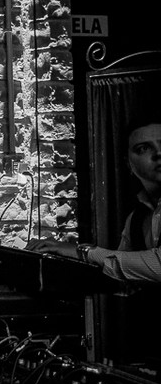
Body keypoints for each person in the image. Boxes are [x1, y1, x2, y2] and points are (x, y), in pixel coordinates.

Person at [28, 116, 161, 283]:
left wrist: (82, 252)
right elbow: (120, 273)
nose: (159, 153)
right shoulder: (137, 218)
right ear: (128, 163)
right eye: (143, 148)